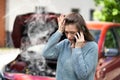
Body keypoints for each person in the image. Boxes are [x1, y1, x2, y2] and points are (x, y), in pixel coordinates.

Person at [42, 12, 98, 80]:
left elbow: (83, 75)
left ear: (82, 31)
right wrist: (59, 32)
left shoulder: (92, 47)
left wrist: (77, 49)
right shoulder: (65, 44)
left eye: (72, 33)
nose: (68, 36)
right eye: (66, 32)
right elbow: (46, 52)